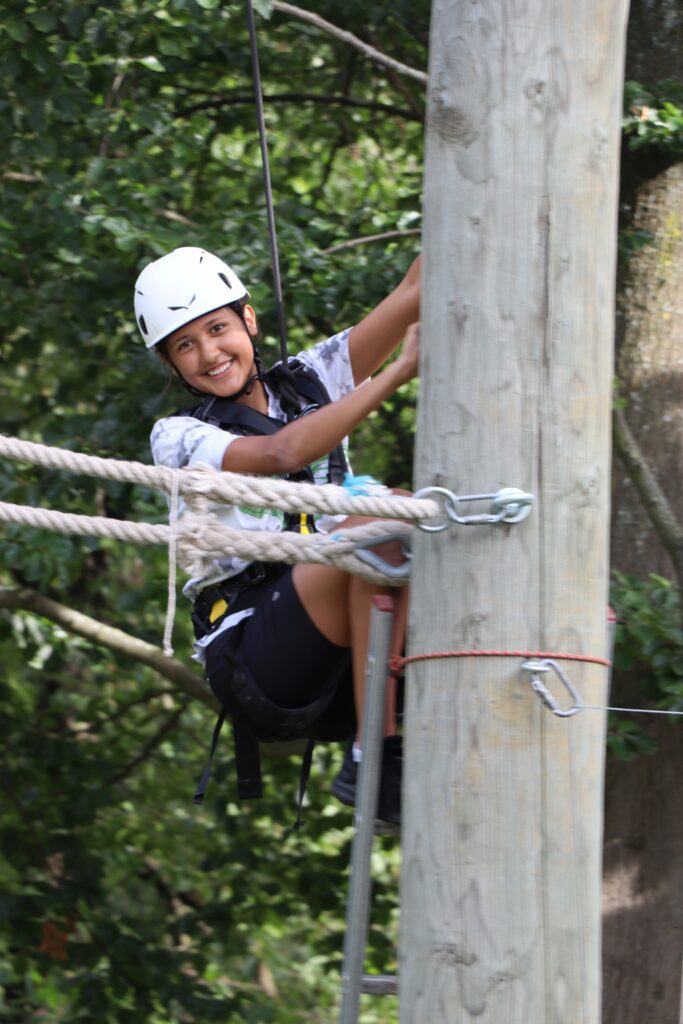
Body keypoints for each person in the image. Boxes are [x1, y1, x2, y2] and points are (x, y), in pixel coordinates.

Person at [134, 246, 420, 825]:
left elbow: (414, 291)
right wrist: (396, 374)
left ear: (249, 320)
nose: (209, 354)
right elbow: (282, 451)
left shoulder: (309, 380)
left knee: (414, 519)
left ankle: (397, 726)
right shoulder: (179, 437)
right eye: (185, 345)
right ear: (171, 364)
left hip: (348, 662)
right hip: (258, 657)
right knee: (380, 521)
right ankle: (376, 758)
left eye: (217, 329)